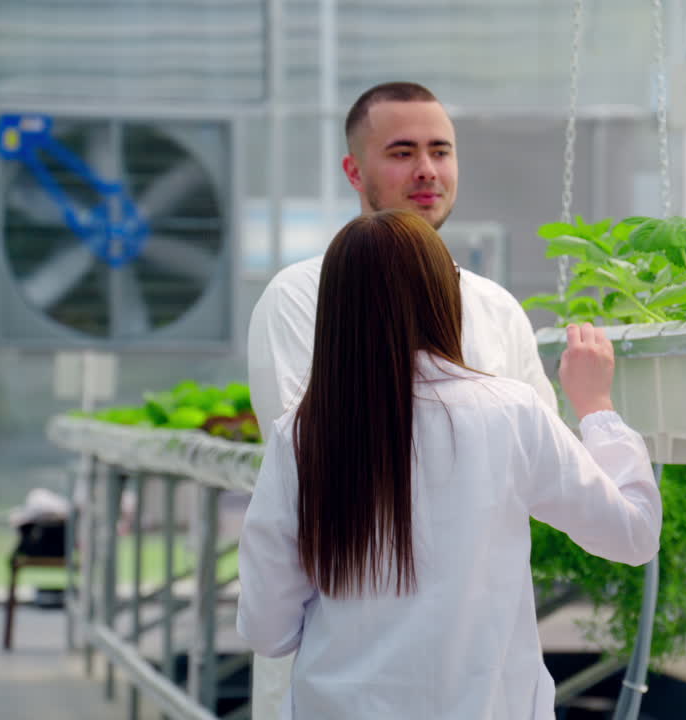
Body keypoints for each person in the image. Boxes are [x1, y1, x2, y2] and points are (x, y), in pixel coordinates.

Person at [236, 210, 662, 719]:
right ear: (445, 295)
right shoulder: (510, 412)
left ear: (335, 308)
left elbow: (267, 629)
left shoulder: (302, 435)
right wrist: (596, 408)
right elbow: (632, 535)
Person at [245, 81, 558, 718]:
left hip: (480, 663)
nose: (426, 170)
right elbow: (318, 453)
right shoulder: (303, 297)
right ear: (353, 169)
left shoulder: (495, 308)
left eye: (441, 151)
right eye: (402, 151)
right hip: (347, 666)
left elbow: (544, 461)